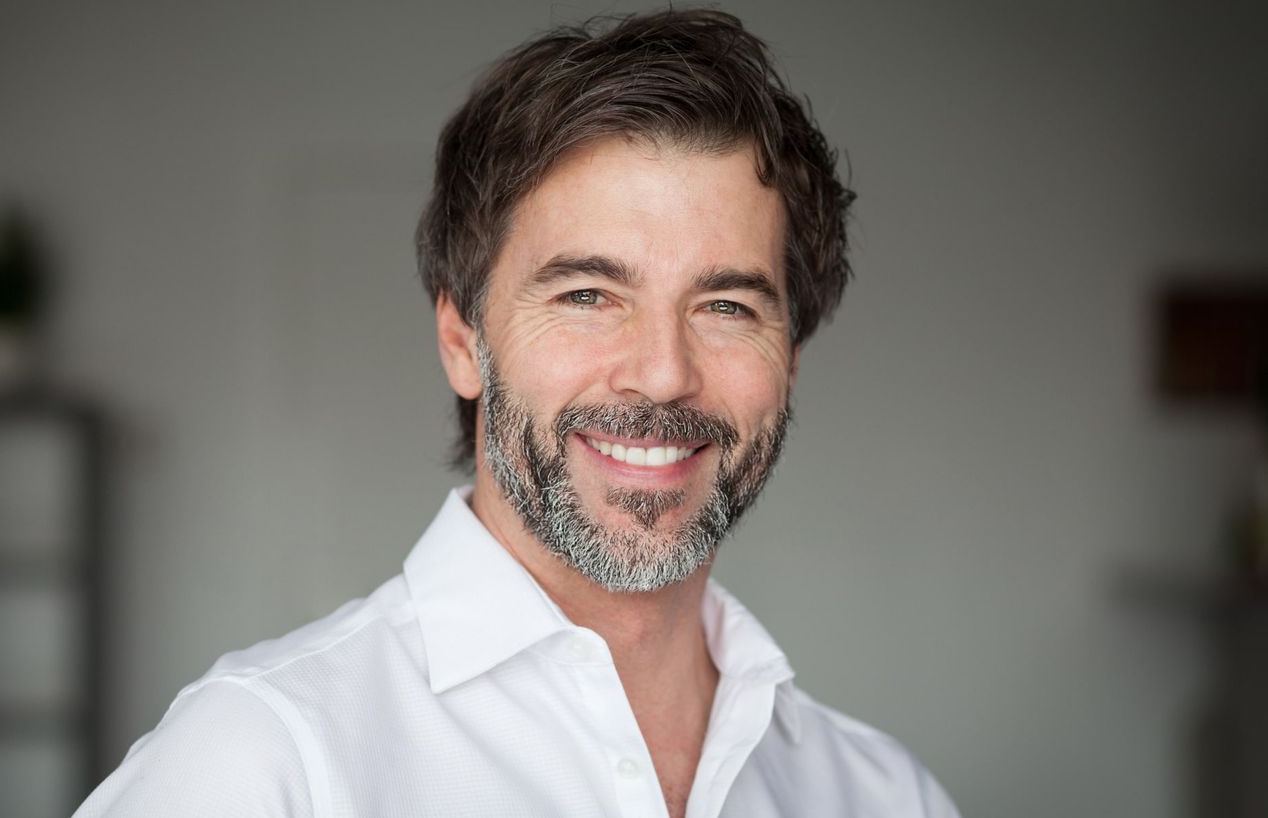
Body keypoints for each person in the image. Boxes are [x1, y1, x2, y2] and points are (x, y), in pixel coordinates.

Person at [76, 9, 959, 817]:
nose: (661, 375)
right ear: (462, 340)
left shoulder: (882, 795)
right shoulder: (266, 762)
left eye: (727, 306)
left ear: (791, 358)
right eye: (586, 293)